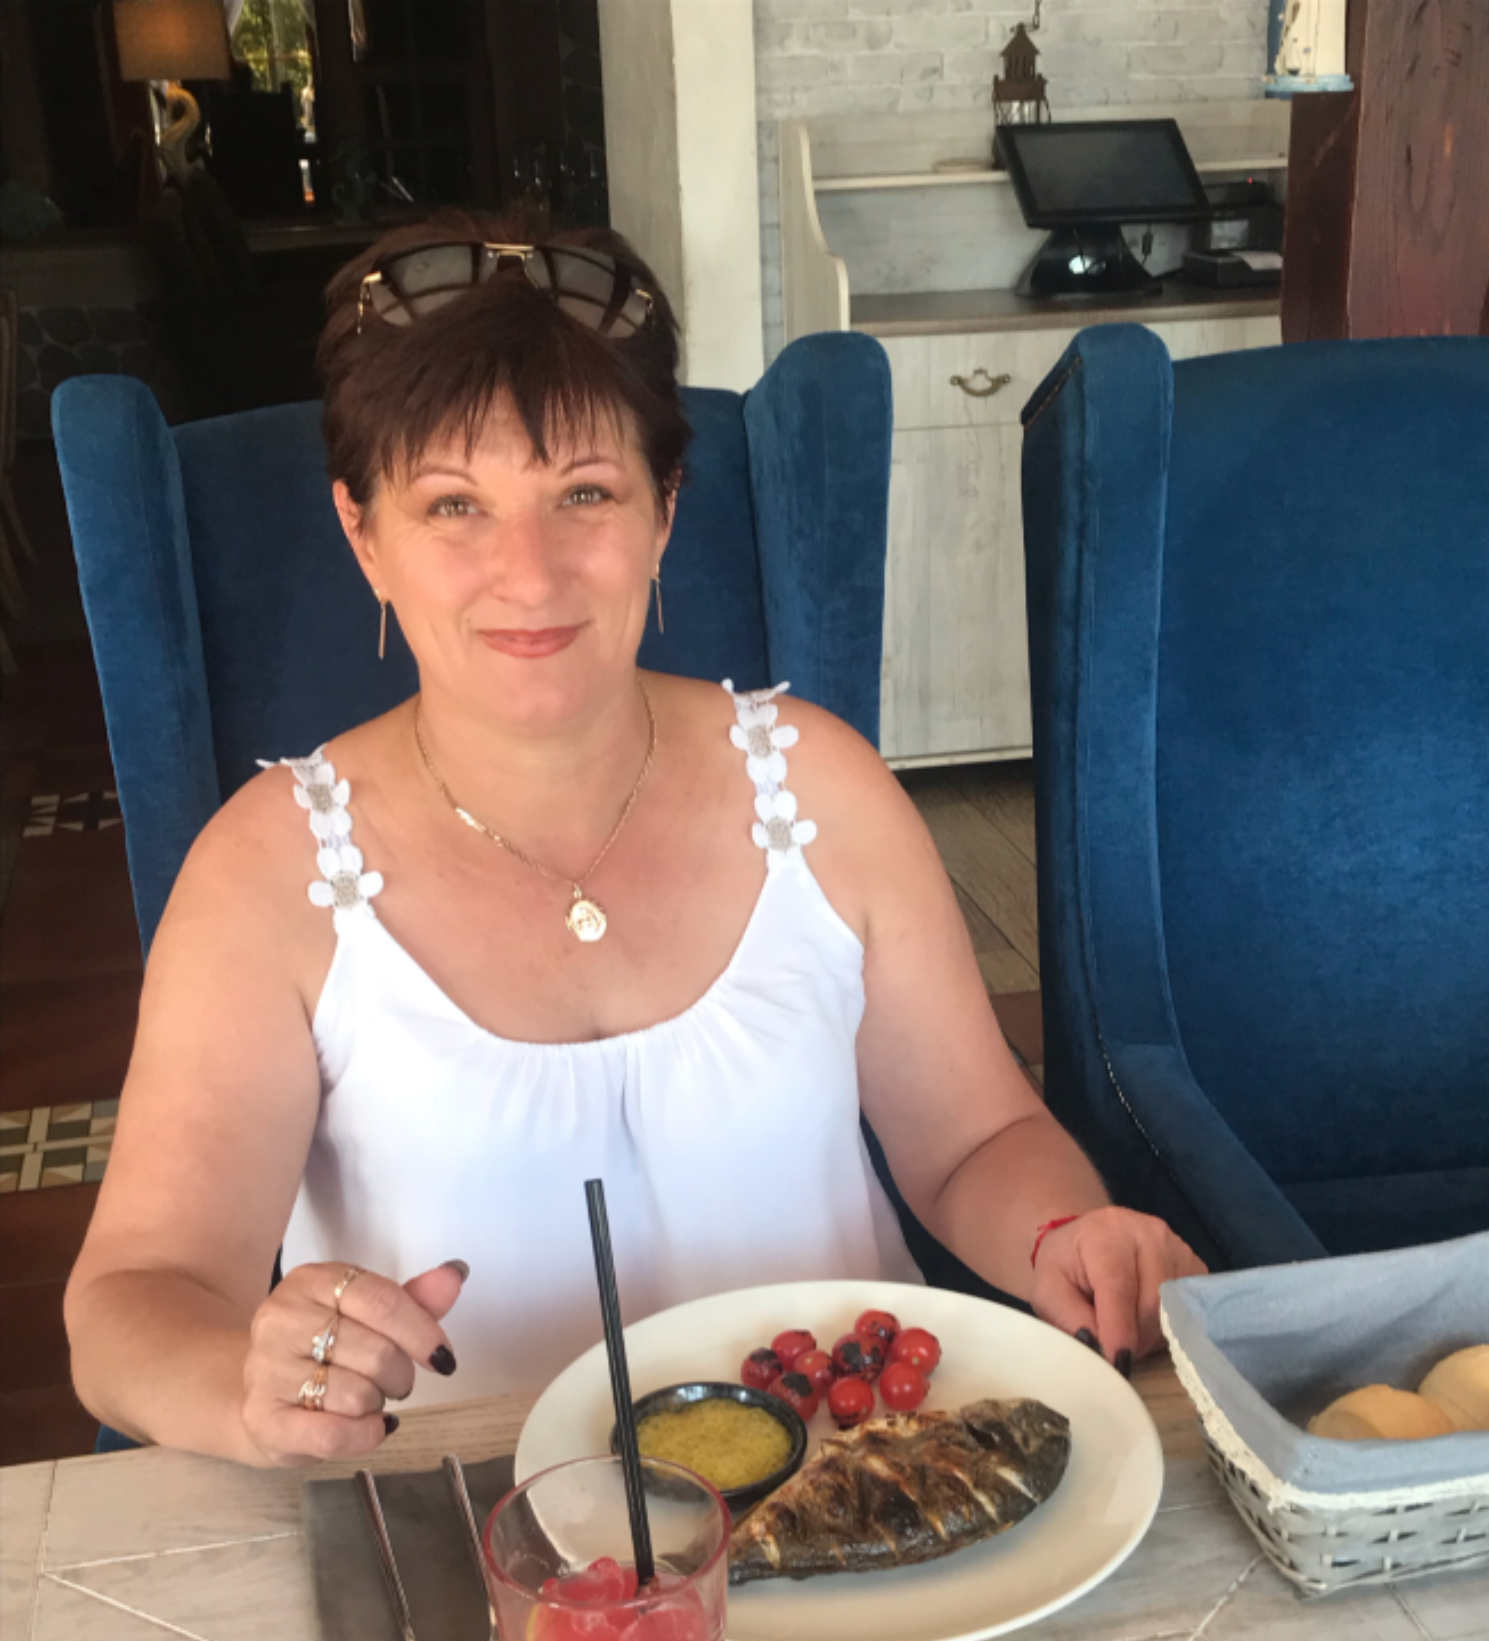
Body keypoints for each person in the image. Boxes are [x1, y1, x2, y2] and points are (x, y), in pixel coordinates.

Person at [65, 214, 1205, 1468]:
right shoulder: (267, 871)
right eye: (454, 505)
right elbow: (135, 1295)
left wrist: (1064, 1234)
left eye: (584, 494)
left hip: (863, 1490)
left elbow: (975, 1140)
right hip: (483, 1533)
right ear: (364, 533)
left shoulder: (819, 784)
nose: (530, 572)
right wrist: (244, 1386)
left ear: (665, 508)